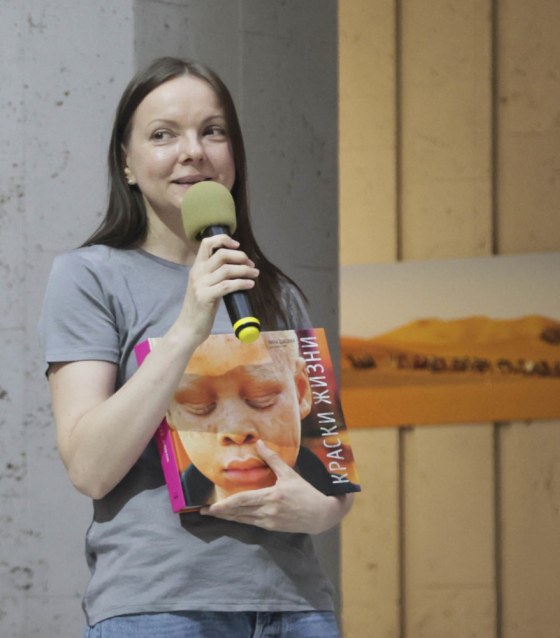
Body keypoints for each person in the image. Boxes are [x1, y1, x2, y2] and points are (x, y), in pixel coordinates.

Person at [38, 56, 353, 636]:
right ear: (127, 163)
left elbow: (328, 465)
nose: (193, 152)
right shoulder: (89, 277)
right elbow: (90, 468)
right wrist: (188, 326)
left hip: (297, 605)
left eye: (213, 131)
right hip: (160, 607)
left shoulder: (274, 290)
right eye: (163, 135)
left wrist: (323, 511)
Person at [165, 331, 332, 505]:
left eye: (261, 398)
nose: (236, 433)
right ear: (167, 410)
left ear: (301, 392)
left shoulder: (339, 496)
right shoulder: (159, 509)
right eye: (199, 405)